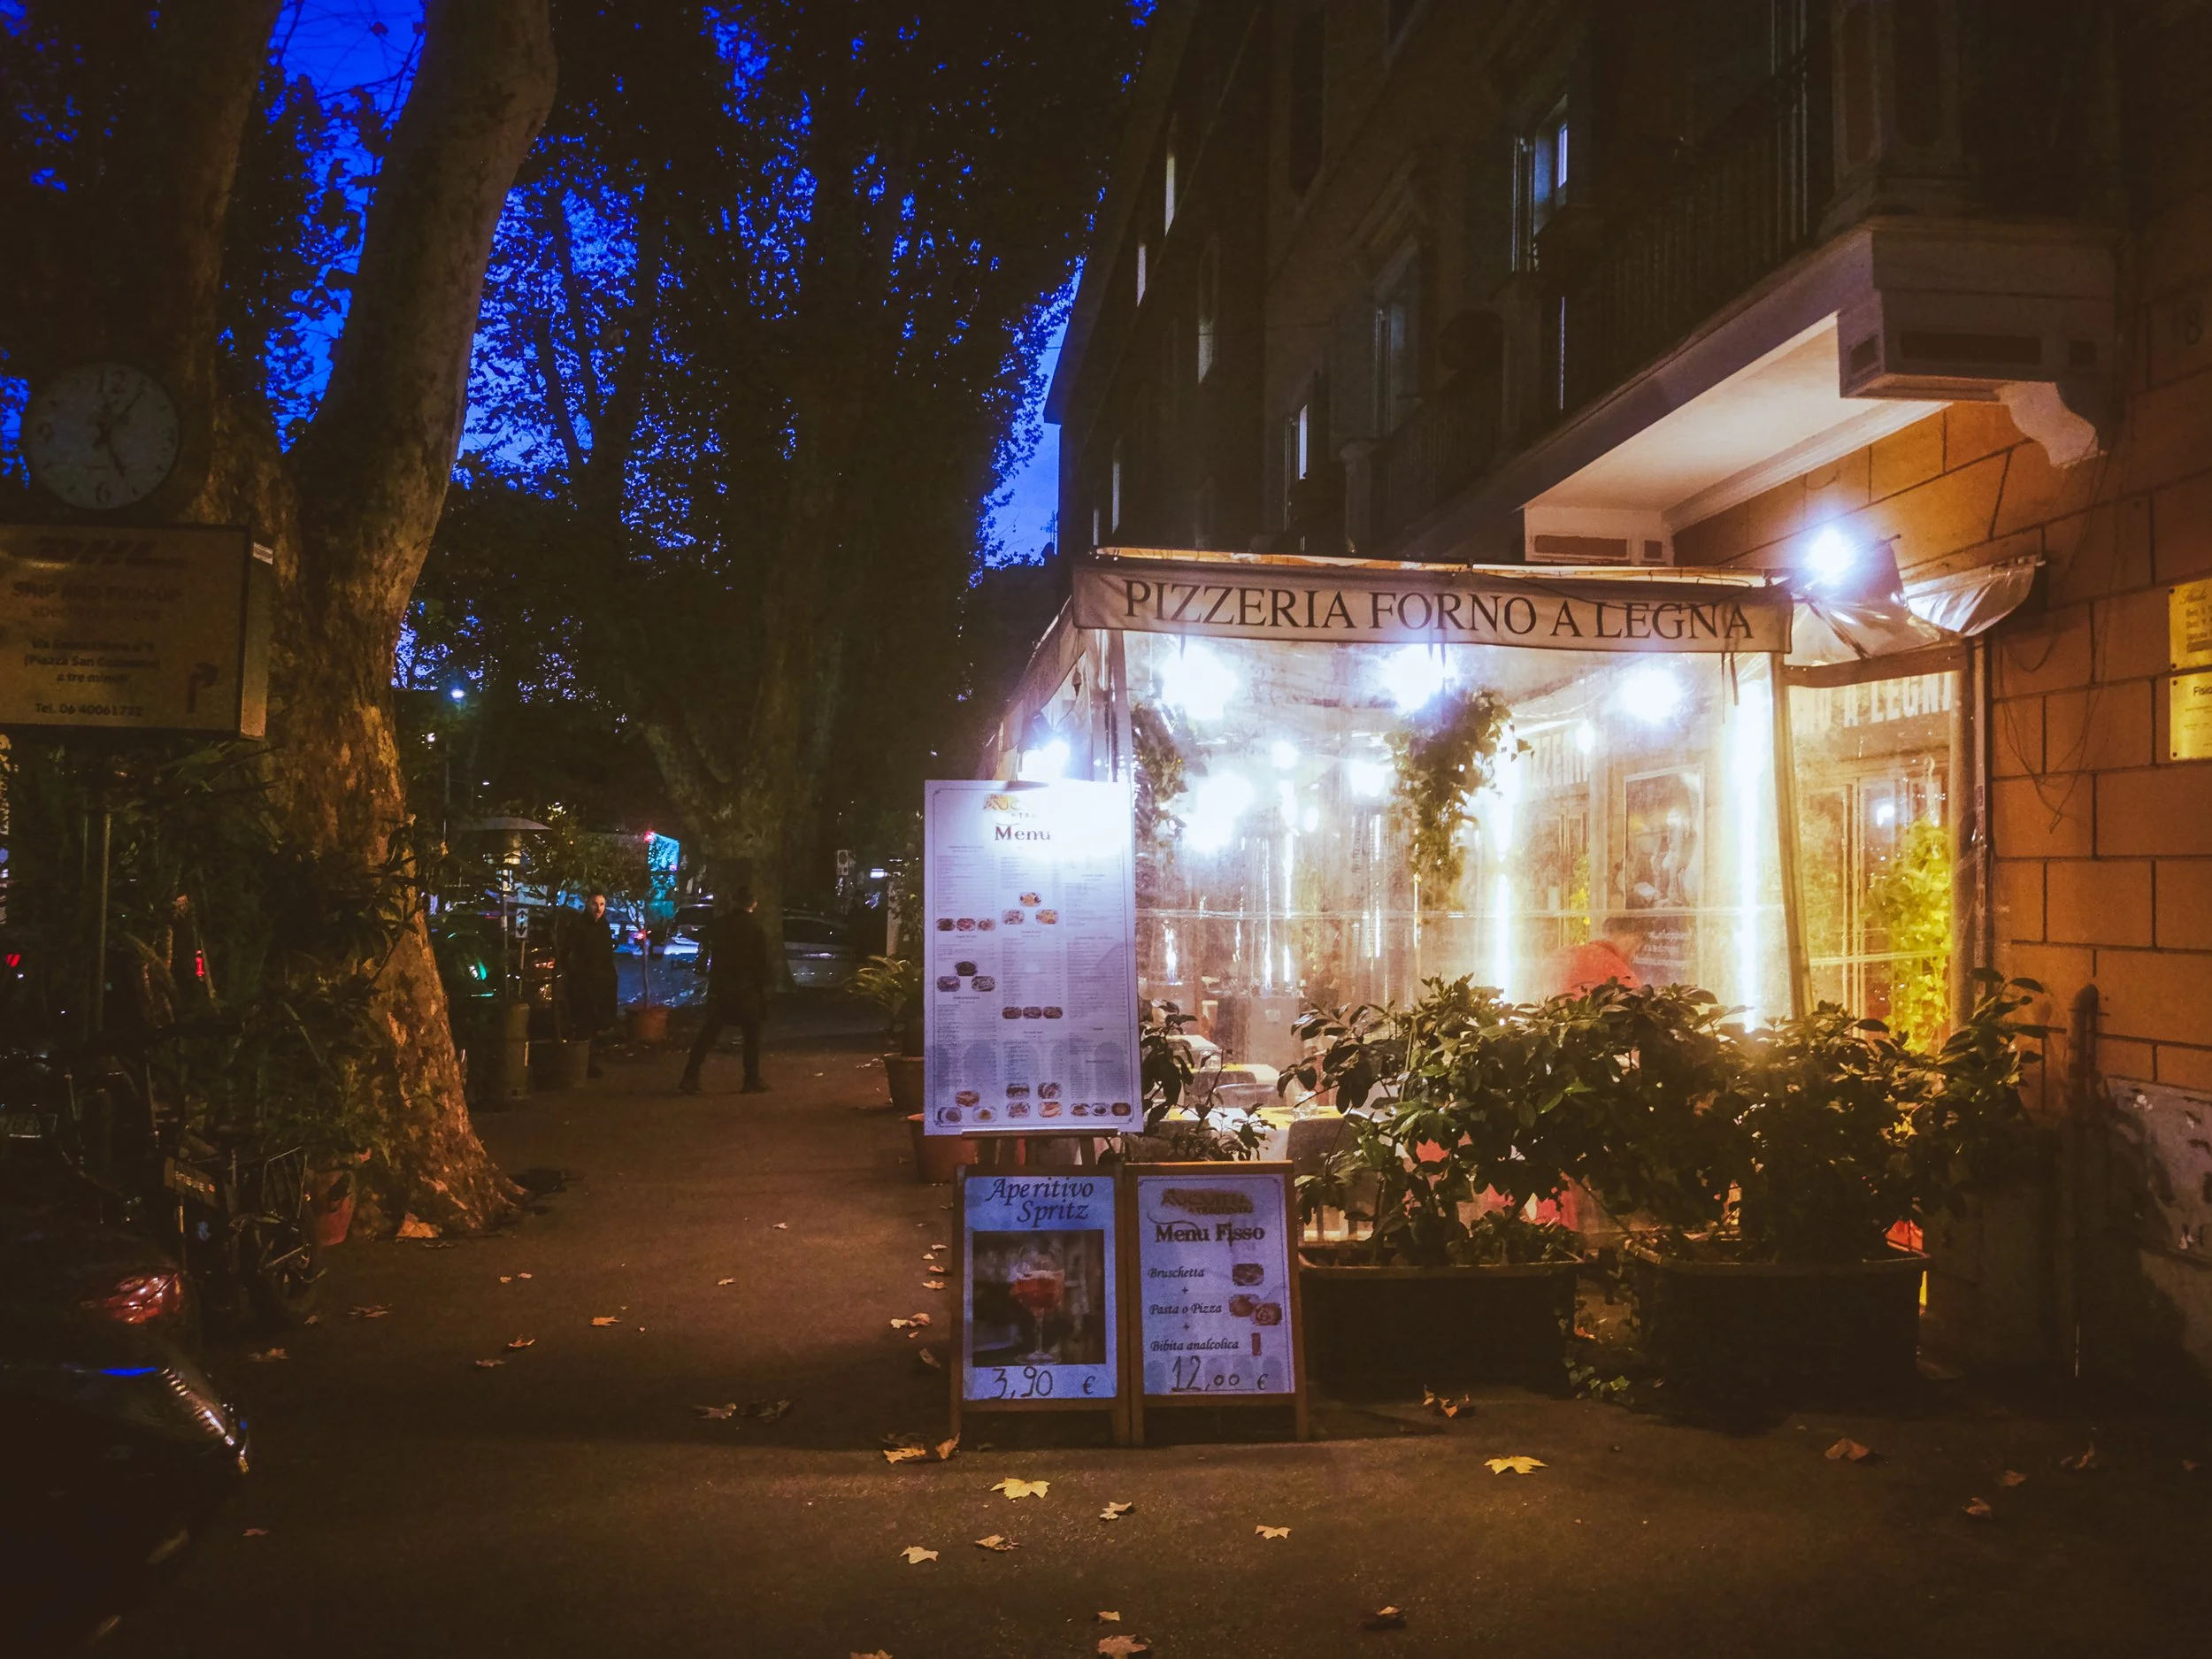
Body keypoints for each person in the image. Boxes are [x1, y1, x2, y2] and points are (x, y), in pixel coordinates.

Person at [678, 886, 772, 1094]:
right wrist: (762, 988)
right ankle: (751, 1079)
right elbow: (761, 962)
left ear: (733, 902)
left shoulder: (722, 923)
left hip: (722, 987)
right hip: (746, 988)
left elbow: (701, 935)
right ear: (754, 904)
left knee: (709, 1033)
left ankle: (690, 1075)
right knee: (752, 1036)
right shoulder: (755, 928)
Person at [558, 890, 620, 1075]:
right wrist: (575, 975)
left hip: (601, 983)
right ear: (587, 904)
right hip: (583, 983)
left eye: (602, 904)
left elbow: (606, 955)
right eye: (594, 904)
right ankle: (583, 1063)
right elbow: (568, 954)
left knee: (596, 1022)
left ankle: (590, 1060)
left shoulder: (603, 926)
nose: (598, 909)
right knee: (583, 1023)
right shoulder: (578, 926)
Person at [1551, 914, 1648, 997]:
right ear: (1631, 938)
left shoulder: (1568, 956)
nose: (1635, 954)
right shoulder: (1622, 974)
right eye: (1637, 946)